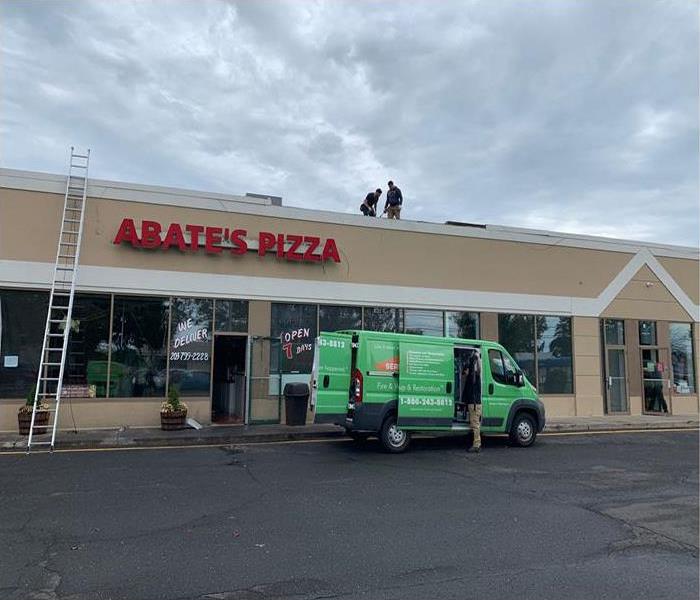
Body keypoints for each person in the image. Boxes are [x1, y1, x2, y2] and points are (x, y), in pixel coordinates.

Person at [461, 349, 482, 453]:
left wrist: (477, 358)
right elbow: (463, 375)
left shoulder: (475, 376)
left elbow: (479, 369)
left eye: (467, 369)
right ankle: (475, 442)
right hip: (471, 402)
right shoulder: (470, 377)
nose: (465, 372)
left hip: (475, 403)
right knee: (473, 423)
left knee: (475, 424)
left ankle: (477, 445)